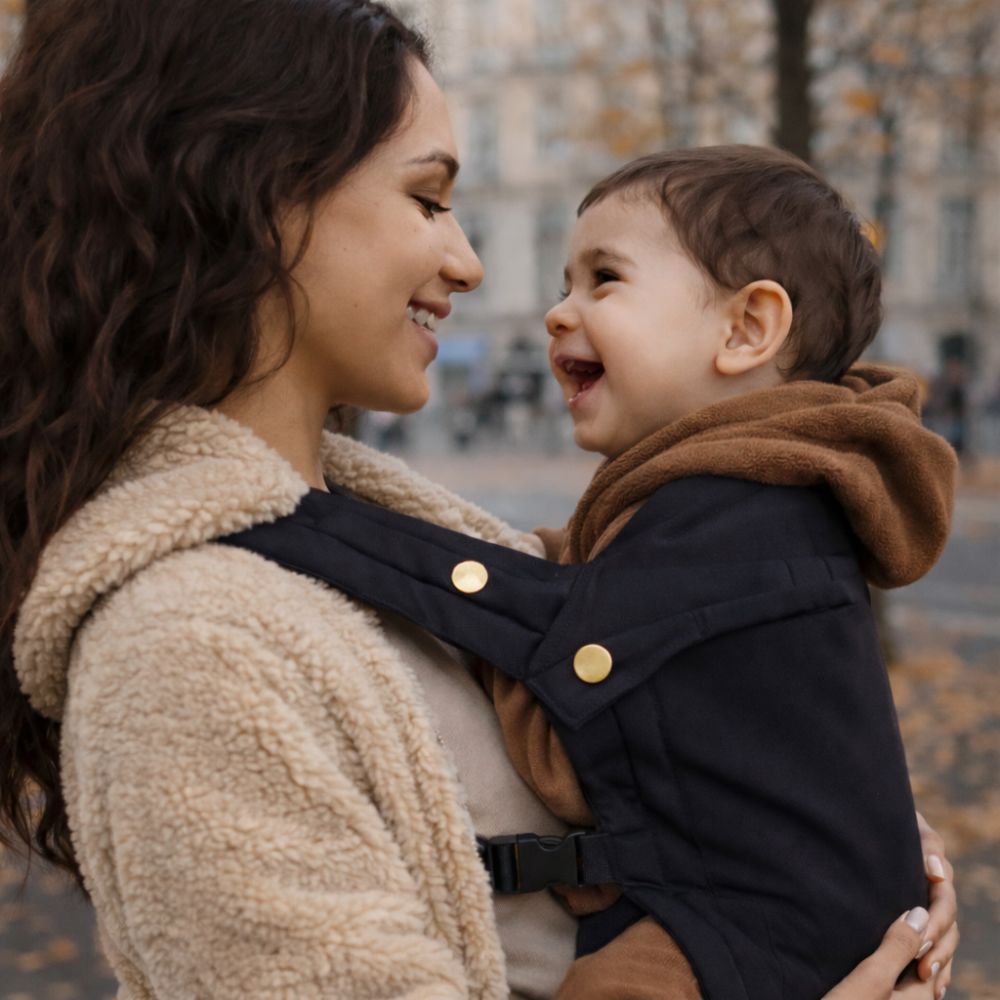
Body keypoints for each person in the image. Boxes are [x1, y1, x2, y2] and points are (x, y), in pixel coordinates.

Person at [0, 2, 956, 998]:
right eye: (427, 199)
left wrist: (858, 863)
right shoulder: (191, 641)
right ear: (249, 195)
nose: (469, 261)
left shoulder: (437, 544)